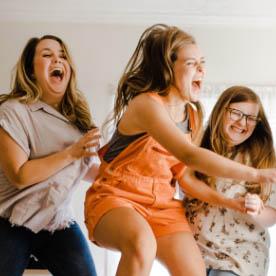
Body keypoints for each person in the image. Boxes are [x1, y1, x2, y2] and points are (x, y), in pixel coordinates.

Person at [84, 24, 276, 276]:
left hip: (162, 205)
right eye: (191, 63)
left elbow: (184, 177)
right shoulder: (147, 105)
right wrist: (257, 174)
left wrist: (228, 201)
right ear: (168, 68)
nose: (201, 69)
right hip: (117, 197)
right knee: (143, 244)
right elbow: (189, 155)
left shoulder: (192, 116)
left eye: (202, 63)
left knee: (194, 270)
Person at [0, 35, 100, 276]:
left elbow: (85, 169)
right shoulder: (13, 110)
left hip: (57, 219)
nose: (57, 59)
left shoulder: (77, 121)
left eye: (62, 55)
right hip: (11, 219)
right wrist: (71, 152)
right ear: (30, 70)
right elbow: (19, 175)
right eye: (47, 54)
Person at [184, 86, 276, 276]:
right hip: (192, 255)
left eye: (251, 118)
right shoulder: (196, 147)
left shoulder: (264, 160)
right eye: (236, 113)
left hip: (238, 260)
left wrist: (258, 210)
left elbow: (272, 216)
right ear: (221, 111)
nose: (243, 123)